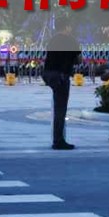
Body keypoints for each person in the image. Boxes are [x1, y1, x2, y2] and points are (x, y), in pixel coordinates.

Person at [42, 19, 82, 150]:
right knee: (61, 109)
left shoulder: (52, 40)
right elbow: (79, 60)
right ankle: (58, 140)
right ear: (67, 27)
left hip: (49, 75)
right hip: (61, 76)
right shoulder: (71, 40)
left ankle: (57, 138)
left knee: (57, 106)